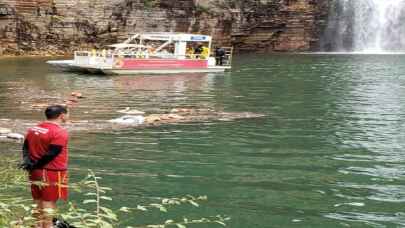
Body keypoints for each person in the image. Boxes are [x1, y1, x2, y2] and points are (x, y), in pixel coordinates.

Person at [20, 105, 70, 228]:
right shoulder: (59, 132)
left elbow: (25, 147)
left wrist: (28, 163)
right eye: (68, 114)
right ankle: (48, 226)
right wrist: (38, 165)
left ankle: (38, 225)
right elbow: (52, 153)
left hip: (34, 170)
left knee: (38, 200)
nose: (69, 116)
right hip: (52, 171)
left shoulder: (33, 129)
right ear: (61, 115)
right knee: (49, 202)